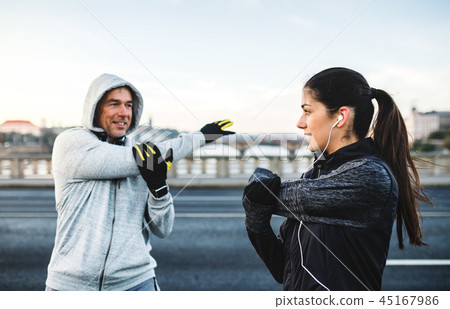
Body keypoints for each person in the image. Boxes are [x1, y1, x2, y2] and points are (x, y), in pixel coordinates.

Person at [242, 67, 431, 291]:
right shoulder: (315, 175)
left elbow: (268, 196)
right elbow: (282, 269)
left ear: (341, 116)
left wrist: (256, 193)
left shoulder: (369, 175)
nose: (300, 123)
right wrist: (257, 222)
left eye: (307, 112)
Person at [45, 73, 234, 291]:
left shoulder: (143, 155)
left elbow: (163, 229)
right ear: (95, 108)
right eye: (114, 104)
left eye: (128, 105)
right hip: (71, 285)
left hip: (137, 282)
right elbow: (132, 160)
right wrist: (201, 137)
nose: (124, 113)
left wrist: (159, 190)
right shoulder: (72, 143)